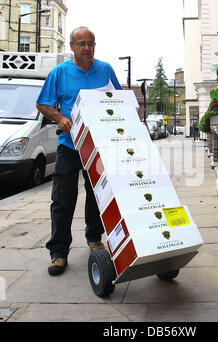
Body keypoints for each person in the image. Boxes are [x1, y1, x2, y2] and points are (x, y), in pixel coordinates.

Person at [36, 26, 122, 276]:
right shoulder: (59, 73)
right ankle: (58, 252)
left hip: (98, 146)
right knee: (63, 199)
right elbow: (43, 103)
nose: (87, 48)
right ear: (72, 47)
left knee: (97, 195)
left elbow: (117, 99)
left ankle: (95, 237)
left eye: (91, 43)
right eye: (82, 43)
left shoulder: (105, 69)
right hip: (69, 146)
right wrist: (60, 117)